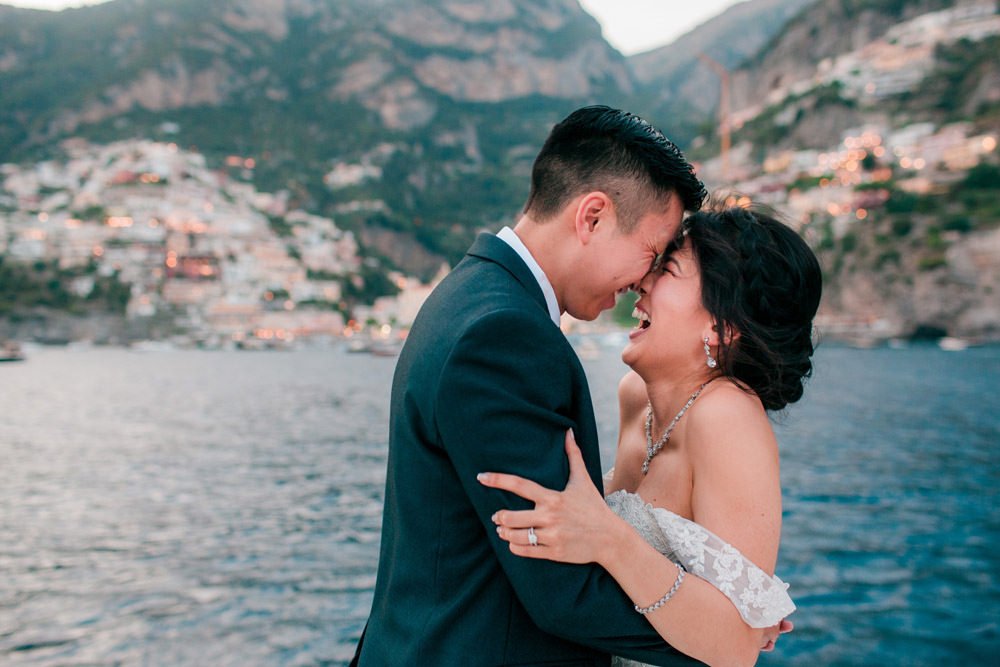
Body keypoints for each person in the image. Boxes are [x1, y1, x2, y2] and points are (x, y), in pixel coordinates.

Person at [352, 106, 714, 666]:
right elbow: (561, 592)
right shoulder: (504, 335)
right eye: (651, 252)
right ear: (592, 216)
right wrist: (720, 636)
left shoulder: (470, 295)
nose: (645, 279)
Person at [480, 205, 822, 666]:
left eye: (669, 271)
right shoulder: (636, 396)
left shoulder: (727, 416)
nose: (642, 282)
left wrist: (610, 539)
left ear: (722, 327)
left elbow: (739, 650)